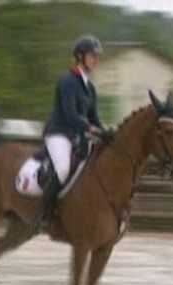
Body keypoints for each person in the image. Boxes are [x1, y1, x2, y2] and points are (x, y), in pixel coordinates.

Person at [36, 35, 113, 230]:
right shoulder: (68, 81)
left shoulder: (90, 88)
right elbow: (70, 116)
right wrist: (93, 130)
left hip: (77, 136)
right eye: (92, 56)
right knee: (63, 169)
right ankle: (44, 214)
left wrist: (107, 132)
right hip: (59, 133)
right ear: (80, 57)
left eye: (98, 56)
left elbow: (94, 118)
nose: (96, 59)